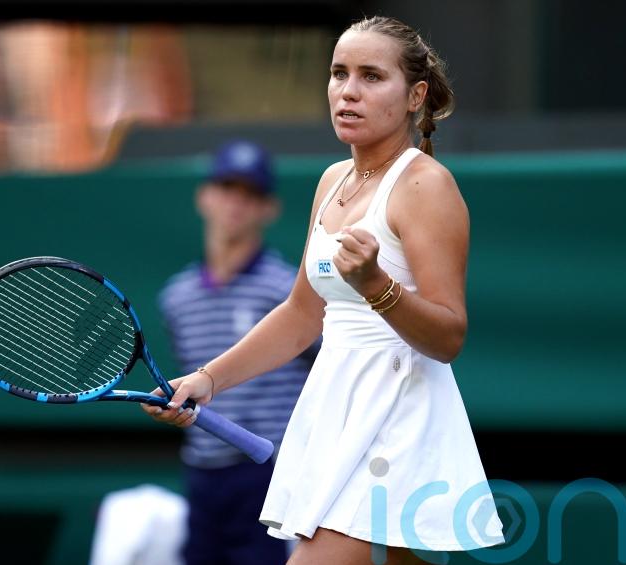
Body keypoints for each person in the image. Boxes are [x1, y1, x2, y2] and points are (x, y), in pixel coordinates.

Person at [145, 16, 506, 564]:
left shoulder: (425, 185)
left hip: (396, 423)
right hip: (337, 414)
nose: (348, 91)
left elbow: (448, 335)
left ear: (415, 96)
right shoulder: (331, 180)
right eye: (339, 74)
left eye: (371, 76)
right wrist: (208, 379)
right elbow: (299, 316)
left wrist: (376, 285)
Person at [156, 139, 317, 565]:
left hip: (270, 474)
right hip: (202, 475)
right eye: (228, 188)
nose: (237, 204)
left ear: (269, 209)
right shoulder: (176, 298)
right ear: (204, 197)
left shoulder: (289, 294)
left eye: (251, 194)